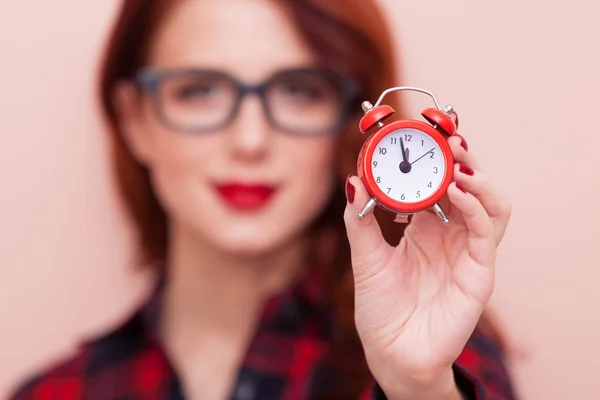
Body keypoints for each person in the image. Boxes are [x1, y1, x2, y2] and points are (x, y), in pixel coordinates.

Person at [8, 0, 517, 399]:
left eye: (299, 91)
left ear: (348, 125)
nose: (250, 141)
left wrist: (419, 388)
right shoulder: (56, 394)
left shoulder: (442, 366)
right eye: (200, 90)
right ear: (135, 119)